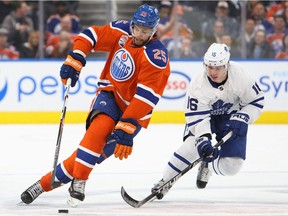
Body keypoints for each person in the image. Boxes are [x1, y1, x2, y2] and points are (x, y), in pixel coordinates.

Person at [20, 4, 170, 207]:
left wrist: (128, 123)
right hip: (109, 94)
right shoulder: (122, 31)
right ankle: (80, 181)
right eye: (137, 28)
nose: (140, 34)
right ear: (133, 24)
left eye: (146, 31)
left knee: (88, 156)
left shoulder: (156, 56)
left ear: (154, 31)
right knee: (97, 132)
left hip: (134, 112)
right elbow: (92, 35)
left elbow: (147, 97)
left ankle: (42, 184)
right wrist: (76, 57)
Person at [151, 43, 265, 200]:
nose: (213, 72)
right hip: (206, 118)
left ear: (227, 65)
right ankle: (165, 182)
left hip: (232, 118)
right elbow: (197, 117)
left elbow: (256, 101)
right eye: (210, 67)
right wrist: (204, 140)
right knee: (192, 147)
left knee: (232, 166)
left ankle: (208, 165)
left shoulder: (240, 76)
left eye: (218, 67)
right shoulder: (198, 85)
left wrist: (244, 116)